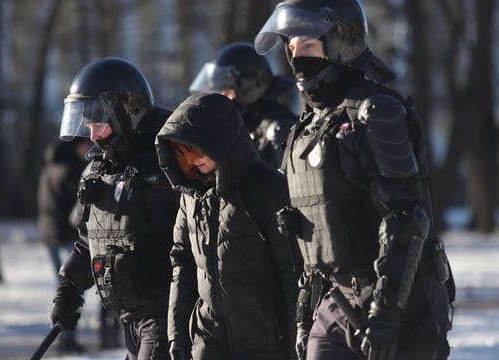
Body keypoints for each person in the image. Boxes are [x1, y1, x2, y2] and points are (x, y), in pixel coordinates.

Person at [255, 1, 455, 359]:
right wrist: (305, 315)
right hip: (335, 303)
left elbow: (406, 217)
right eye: (292, 48)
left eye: (309, 45)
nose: (299, 57)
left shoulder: (376, 112)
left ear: (341, 44)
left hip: (403, 299)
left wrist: (387, 314)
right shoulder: (305, 129)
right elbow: (311, 234)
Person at [50, 57, 180, 360]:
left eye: (99, 124)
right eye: (88, 126)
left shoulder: (167, 165)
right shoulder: (100, 170)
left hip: (167, 318)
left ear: (126, 113)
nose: (93, 135)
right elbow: (88, 241)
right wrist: (69, 289)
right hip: (130, 321)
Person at [155, 93, 301, 360]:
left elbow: (291, 274)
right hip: (208, 343)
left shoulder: (268, 188)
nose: (190, 159)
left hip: (265, 344)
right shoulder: (190, 196)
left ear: (220, 139)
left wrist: (297, 344)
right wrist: (176, 337)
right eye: (180, 152)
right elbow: (183, 267)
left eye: (195, 148)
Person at [189, 42, 298, 169]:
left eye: (227, 92)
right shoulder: (244, 129)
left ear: (249, 88)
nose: (222, 100)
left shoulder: (278, 132)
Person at [37, 137, 90, 353]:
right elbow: (79, 206)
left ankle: (61, 335)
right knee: (70, 286)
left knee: (61, 286)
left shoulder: (49, 168)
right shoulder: (72, 169)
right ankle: (67, 337)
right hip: (66, 234)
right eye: (85, 146)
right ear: (77, 146)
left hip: (49, 233)